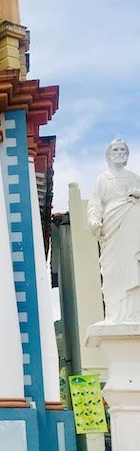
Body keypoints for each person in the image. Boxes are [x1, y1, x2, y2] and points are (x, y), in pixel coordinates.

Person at [87, 138, 140, 322]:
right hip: (112, 227)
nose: (119, 152)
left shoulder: (135, 178)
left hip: (133, 228)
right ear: (109, 154)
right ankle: (115, 313)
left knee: (134, 266)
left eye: (123, 149)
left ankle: (135, 312)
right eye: (115, 149)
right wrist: (94, 220)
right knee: (112, 270)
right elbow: (95, 203)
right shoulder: (103, 179)